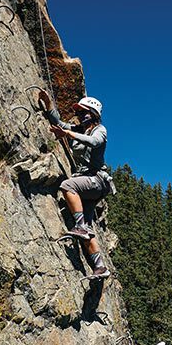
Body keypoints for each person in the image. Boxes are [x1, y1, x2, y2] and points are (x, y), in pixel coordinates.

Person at [37, 90, 111, 279]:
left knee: (68, 186)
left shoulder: (99, 130)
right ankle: (100, 267)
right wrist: (49, 105)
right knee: (86, 231)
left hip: (97, 180)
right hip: (89, 184)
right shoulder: (78, 130)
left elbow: (94, 142)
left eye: (82, 112)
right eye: (78, 113)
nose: (79, 116)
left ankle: (80, 226)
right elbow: (59, 124)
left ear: (93, 114)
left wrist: (68, 133)